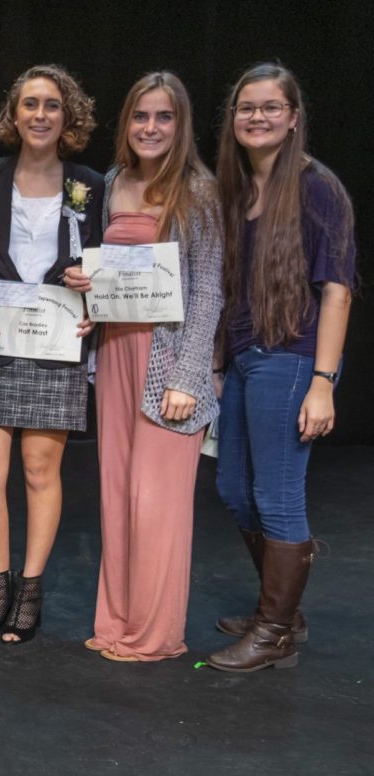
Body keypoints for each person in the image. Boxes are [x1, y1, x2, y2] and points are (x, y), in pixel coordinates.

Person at [64, 71, 222, 662]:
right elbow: (108, 271)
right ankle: (117, 624)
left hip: (168, 364)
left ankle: (154, 635)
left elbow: (208, 290)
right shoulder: (109, 182)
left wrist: (188, 376)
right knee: (120, 496)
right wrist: (84, 286)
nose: (150, 128)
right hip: (115, 358)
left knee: (158, 505)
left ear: (179, 126)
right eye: (140, 117)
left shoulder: (197, 191)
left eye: (163, 117)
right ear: (125, 124)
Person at [207, 64, 355, 672]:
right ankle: (281, 610)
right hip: (246, 357)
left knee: (277, 495)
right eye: (246, 108)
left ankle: (274, 633)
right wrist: (219, 362)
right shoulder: (239, 186)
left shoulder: (317, 186)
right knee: (235, 490)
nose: (257, 117)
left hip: (293, 359)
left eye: (271, 107)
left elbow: (339, 290)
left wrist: (322, 383)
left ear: (293, 117)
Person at [0, 65, 103, 645]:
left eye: (52, 105)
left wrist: (97, 291)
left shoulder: (92, 184)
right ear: (14, 114)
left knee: (38, 471)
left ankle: (31, 588)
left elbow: (110, 261)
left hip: (56, 341)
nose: (40, 115)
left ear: (67, 116)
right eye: (30, 104)